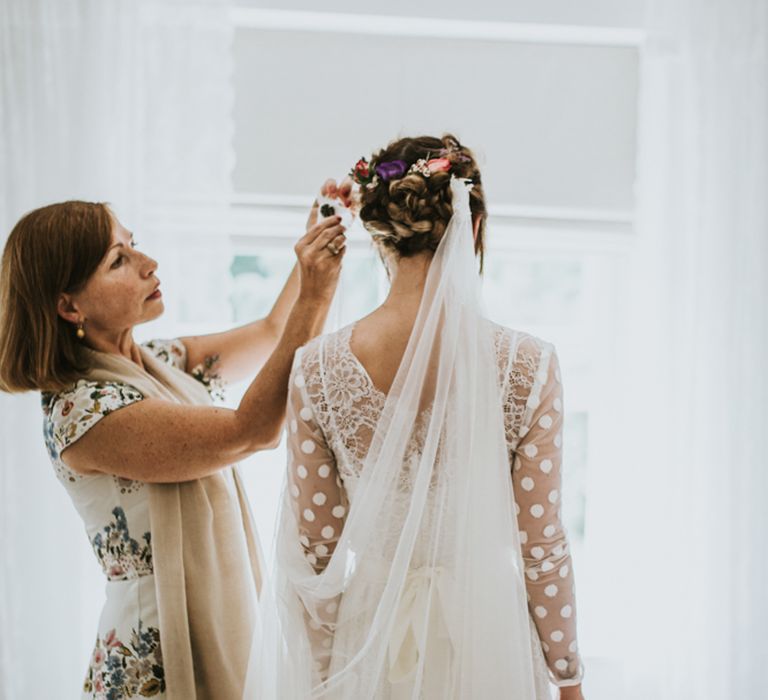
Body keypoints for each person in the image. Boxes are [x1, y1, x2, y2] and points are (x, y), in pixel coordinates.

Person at [247, 135, 585, 699]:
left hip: (369, 647)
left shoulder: (318, 371)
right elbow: (541, 550)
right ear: (471, 228)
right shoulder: (529, 368)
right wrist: (568, 681)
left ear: (380, 238)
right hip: (489, 644)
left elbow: (315, 556)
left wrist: (326, 680)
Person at [0, 181, 351, 700]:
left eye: (134, 244)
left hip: (195, 622)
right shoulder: (84, 410)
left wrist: (316, 241)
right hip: (155, 661)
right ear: (70, 306)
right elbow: (251, 431)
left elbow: (275, 332)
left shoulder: (159, 362)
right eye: (119, 260)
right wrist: (317, 292)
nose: (149, 263)